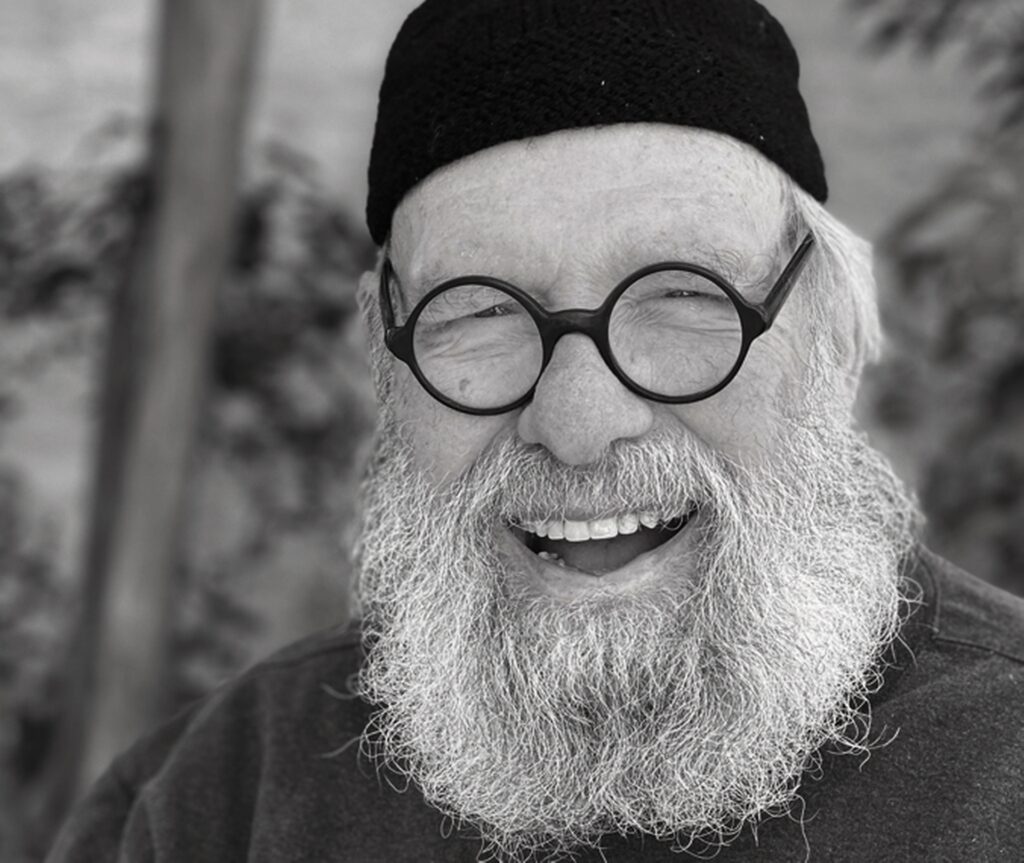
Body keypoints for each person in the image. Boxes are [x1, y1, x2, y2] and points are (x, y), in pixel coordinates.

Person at [48, 0, 1024, 860]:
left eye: (683, 296)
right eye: (479, 313)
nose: (578, 424)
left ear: (832, 336)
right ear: (387, 366)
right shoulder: (214, 804)